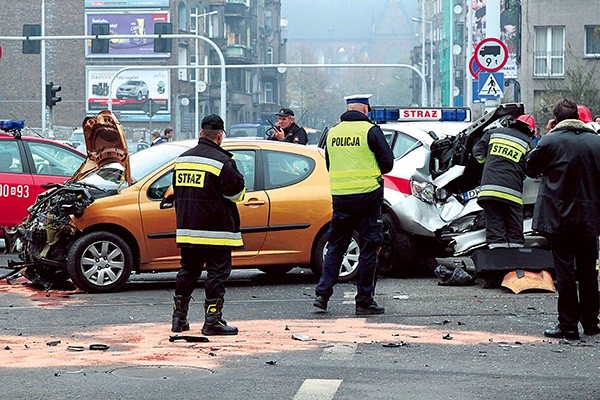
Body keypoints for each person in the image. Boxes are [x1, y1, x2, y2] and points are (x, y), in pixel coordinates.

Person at [524, 98, 600, 340]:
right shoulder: (596, 142)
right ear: (577, 116)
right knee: (588, 271)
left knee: (565, 270)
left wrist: (546, 136)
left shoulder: (550, 141)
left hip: (559, 219)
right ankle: (591, 322)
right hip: (590, 218)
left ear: (555, 120)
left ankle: (567, 325)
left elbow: (530, 168)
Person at [313, 94, 394, 315]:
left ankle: (322, 295)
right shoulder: (371, 131)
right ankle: (364, 300)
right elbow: (388, 164)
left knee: (336, 246)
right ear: (366, 110)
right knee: (369, 247)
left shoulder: (332, 133)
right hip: (368, 198)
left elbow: (330, 164)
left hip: (341, 198)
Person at [171, 114, 246, 336]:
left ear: (200, 134)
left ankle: (179, 319)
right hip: (216, 231)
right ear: (220, 136)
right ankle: (212, 321)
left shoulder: (182, 159)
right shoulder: (223, 162)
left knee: (187, 272)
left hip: (187, 228)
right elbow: (235, 193)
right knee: (217, 274)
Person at [472, 114, 537, 248]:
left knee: (495, 231)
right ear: (531, 130)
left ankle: (497, 263)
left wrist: (487, 164)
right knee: (515, 233)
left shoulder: (493, 134)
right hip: (512, 194)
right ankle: (514, 262)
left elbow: (477, 151)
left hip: (488, 191)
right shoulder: (529, 144)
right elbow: (532, 169)